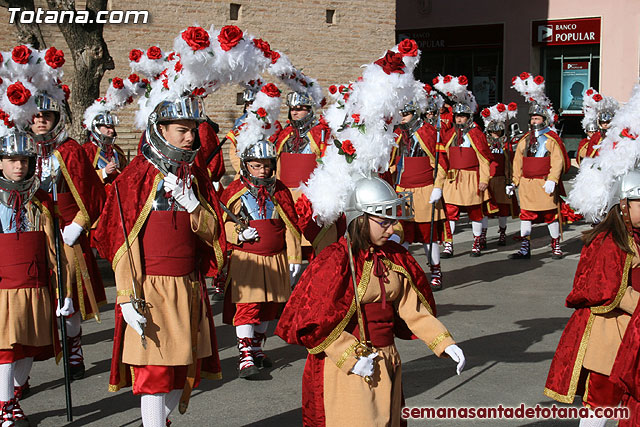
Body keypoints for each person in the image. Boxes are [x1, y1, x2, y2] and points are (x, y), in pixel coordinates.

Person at [276, 176, 465, 426]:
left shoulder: (395, 257)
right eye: (384, 222)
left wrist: (443, 341)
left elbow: (413, 309)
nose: (392, 229)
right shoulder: (335, 260)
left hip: (388, 359)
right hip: (349, 367)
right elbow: (312, 322)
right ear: (361, 219)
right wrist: (350, 357)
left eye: (393, 221)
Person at [95, 94, 226, 426]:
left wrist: (194, 205)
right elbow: (121, 242)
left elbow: (213, 236)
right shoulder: (135, 177)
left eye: (194, 130)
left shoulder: (195, 177)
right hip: (149, 289)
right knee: (153, 373)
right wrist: (126, 296)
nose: (191, 137)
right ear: (161, 129)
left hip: (187, 287)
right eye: (182, 129)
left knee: (180, 370)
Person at [544, 169, 640, 427]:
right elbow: (606, 288)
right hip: (609, 332)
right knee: (602, 401)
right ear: (623, 204)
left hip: (636, 330)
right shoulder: (608, 240)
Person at [32, 92, 107, 380]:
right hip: (33, 231)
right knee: (32, 296)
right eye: (36, 116)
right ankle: (22, 367)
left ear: (55, 119)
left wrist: (79, 223)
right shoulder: (18, 150)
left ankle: (74, 347)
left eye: (46, 116)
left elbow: (92, 192)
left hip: (67, 231)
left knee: (68, 293)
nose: (41, 121)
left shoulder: (71, 150)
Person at [0, 126, 71, 426]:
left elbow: (54, 249)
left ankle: (13, 394)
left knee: (28, 344)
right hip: (4, 285)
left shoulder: (41, 199)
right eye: (12, 160)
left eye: (24, 161)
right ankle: (3, 404)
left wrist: (63, 289)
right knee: (5, 346)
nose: (19, 166)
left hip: (36, 283)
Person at [220, 140, 301, 378]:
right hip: (248, 258)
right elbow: (220, 224)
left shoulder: (281, 190)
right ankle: (244, 355)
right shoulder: (234, 190)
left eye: (266, 165)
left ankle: (256, 349)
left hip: (276, 258)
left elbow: (291, 226)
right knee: (248, 305)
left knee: (269, 305)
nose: (262, 171)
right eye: (256, 166)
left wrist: (294, 257)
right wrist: (238, 234)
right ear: (246, 166)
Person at [509, 73, 570, 260]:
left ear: (544, 120)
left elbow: (558, 161)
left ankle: (556, 246)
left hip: (544, 184)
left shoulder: (551, 140)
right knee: (526, 216)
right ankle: (525, 248)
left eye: (538, 118)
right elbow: (518, 162)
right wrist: (514, 182)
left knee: (550, 215)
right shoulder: (524, 140)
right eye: (533, 118)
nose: (535, 121)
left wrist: (552, 180)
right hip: (527, 185)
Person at [391, 101, 449, 290]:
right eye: (401, 113)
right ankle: (400, 272)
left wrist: (438, 187)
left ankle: (436, 271)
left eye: (405, 114)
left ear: (414, 114)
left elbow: (441, 163)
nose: (402, 117)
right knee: (401, 235)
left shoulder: (429, 132)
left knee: (427, 236)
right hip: (402, 190)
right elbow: (393, 162)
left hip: (425, 190)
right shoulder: (399, 134)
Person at [441, 98, 492, 258]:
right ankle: (448, 244)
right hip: (453, 179)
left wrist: (484, 179)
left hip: (471, 178)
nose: (459, 119)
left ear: (469, 117)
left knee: (475, 212)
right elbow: (444, 159)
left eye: (462, 116)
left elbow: (484, 160)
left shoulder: (477, 134)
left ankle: (476, 242)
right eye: (457, 116)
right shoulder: (449, 135)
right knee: (450, 212)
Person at [481, 103, 520, 246]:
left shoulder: (506, 145)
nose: (495, 135)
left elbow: (511, 163)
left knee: (503, 209)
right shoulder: (483, 144)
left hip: (502, 180)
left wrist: (511, 181)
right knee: (485, 210)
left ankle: (502, 233)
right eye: (493, 132)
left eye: (498, 132)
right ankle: (482, 236)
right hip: (487, 179)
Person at [82, 110, 128, 186]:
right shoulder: (88, 150)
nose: (112, 131)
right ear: (97, 128)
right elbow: (83, 177)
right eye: (108, 127)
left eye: (112, 127)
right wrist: (104, 172)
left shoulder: (117, 150)